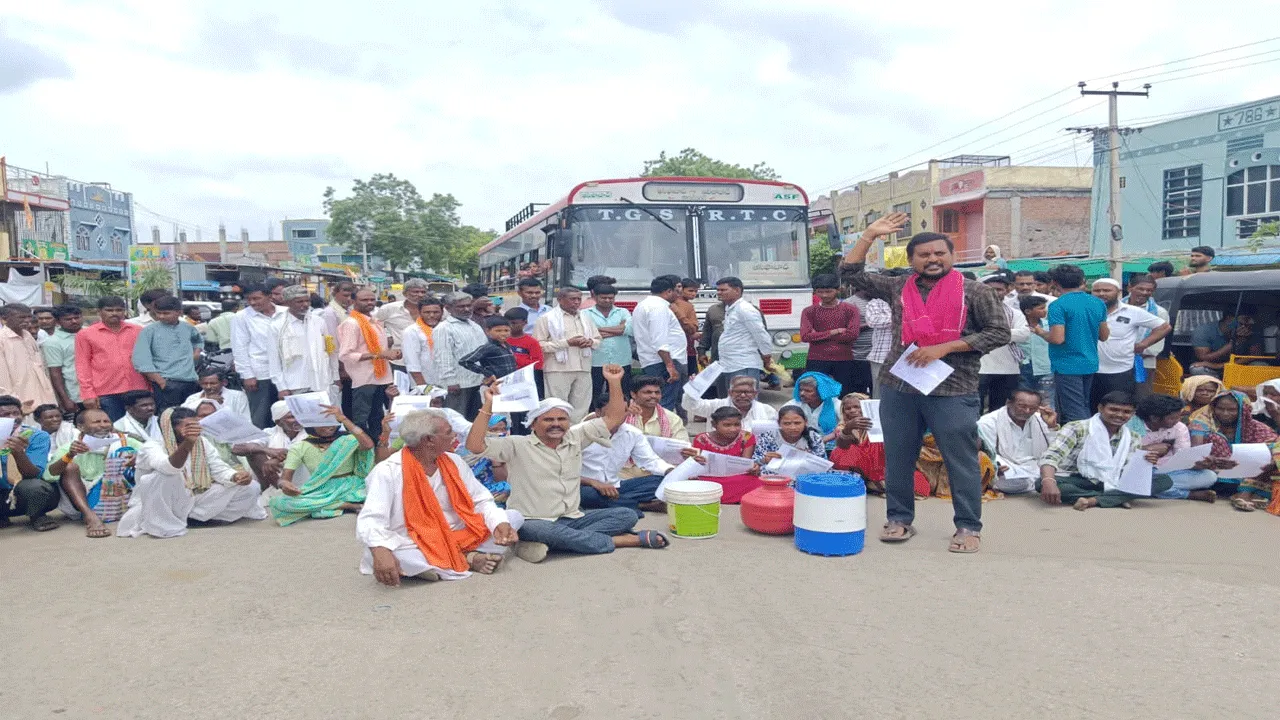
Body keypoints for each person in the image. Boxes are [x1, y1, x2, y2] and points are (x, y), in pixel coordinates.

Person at [841, 214, 1011, 553]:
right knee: (898, 456)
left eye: (939, 253)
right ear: (911, 260)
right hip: (900, 385)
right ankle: (899, 518)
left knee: (960, 459)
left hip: (954, 389)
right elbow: (850, 274)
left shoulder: (975, 291)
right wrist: (869, 235)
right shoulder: (898, 286)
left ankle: (968, 525)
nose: (932, 259)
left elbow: (998, 332)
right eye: (924, 255)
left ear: (952, 256)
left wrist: (946, 347)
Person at [465, 364, 667, 562]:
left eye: (562, 419)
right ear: (533, 424)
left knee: (626, 515)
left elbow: (614, 417)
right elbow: (474, 445)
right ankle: (621, 540)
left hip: (573, 517)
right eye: (548, 420)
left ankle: (549, 543)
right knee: (541, 529)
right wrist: (489, 404)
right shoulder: (517, 444)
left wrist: (614, 382)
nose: (556, 424)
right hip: (533, 520)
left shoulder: (575, 438)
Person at [358, 409, 522, 585]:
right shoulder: (388, 471)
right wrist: (380, 551)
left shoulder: (454, 461)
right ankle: (466, 558)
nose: (454, 435)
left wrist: (499, 523)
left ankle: (442, 563)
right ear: (429, 440)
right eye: (449, 432)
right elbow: (372, 518)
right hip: (414, 540)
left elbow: (481, 499)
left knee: (513, 517)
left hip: (458, 532)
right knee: (385, 552)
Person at [116, 407, 266, 537]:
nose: (195, 429)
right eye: (188, 426)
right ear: (170, 428)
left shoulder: (202, 442)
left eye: (196, 424)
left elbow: (218, 468)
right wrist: (188, 443)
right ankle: (165, 526)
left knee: (250, 487)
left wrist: (235, 476)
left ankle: (195, 520)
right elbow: (169, 467)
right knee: (164, 476)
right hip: (162, 503)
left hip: (195, 495)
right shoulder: (151, 446)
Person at [1037, 391, 1174, 510]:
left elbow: (1128, 472)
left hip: (1114, 480)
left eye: (1126, 412)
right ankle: (1116, 498)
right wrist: (1048, 481)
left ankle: (1093, 500)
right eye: (1113, 410)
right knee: (1041, 483)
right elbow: (1052, 455)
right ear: (1100, 408)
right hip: (1079, 479)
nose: (1119, 415)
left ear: (1133, 414)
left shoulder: (1133, 437)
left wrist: (1145, 462)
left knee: (1164, 480)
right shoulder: (1077, 427)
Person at [45, 408, 144, 538]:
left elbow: (155, 457)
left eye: (106, 421)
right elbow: (49, 475)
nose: (103, 425)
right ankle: (90, 517)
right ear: (80, 427)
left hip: (123, 494)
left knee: (145, 462)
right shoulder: (70, 447)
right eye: (97, 422)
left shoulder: (125, 441)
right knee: (69, 467)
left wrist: (139, 459)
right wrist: (69, 455)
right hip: (87, 498)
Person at [269, 404, 375, 526]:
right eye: (322, 423)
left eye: (332, 422)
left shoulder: (349, 439)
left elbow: (368, 445)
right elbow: (284, 479)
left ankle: (327, 505)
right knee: (279, 503)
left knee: (376, 495)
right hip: (319, 489)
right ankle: (349, 505)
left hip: (351, 486)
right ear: (310, 425)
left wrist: (343, 419)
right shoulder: (300, 447)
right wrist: (284, 485)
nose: (329, 426)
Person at [1034, 264, 1108, 424]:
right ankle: (1088, 433)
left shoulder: (1058, 305)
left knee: (1073, 410)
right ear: (1082, 281)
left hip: (1067, 364)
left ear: (1055, 283)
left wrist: (1040, 332)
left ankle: (1082, 437)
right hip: (1090, 362)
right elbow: (1104, 335)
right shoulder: (1097, 303)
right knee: (1083, 404)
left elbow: (1057, 338)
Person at [579, 394, 671, 517]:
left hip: (616, 486)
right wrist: (593, 482)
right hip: (585, 486)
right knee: (587, 495)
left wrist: (671, 471)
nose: (617, 417)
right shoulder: (579, 433)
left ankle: (615, 502)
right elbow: (561, 473)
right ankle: (642, 505)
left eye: (622, 412)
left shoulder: (632, 433)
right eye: (612, 413)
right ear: (598, 412)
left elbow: (650, 460)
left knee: (665, 481)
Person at [1188, 389, 1277, 512]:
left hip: (1248, 471)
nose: (1225, 413)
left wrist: (1272, 461)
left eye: (1232, 410)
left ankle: (1244, 493)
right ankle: (1247, 493)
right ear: (1213, 407)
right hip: (1215, 473)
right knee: (1215, 439)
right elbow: (1196, 452)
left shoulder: (1255, 426)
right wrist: (1213, 460)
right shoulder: (1203, 422)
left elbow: (1275, 444)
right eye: (1220, 408)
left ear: (1243, 410)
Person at [1090, 277, 1171, 407]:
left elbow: (1164, 327)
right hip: (1090, 370)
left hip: (1121, 371)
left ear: (1118, 292)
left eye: (1107, 290)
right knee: (1092, 406)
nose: (1101, 294)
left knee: (1120, 406)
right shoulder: (1086, 311)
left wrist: (1143, 345)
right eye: (1097, 291)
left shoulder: (1132, 311)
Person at [830, 393, 930, 495]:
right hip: (859, 466)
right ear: (843, 411)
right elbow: (842, 446)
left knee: (918, 485)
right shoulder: (843, 427)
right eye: (848, 408)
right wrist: (848, 429)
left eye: (856, 407)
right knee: (845, 452)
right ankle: (864, 483)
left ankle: (874, 485)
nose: (852, 410)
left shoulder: (879, 422)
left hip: (881, 465)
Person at [338, 288, 401, 440]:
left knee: (378, 420)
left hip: (380, 378)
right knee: (361, 422)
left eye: (372, 299)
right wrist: (380, 355)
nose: (370, 303)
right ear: (353, 301)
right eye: (364, 300)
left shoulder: (374, 321)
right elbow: (345, 355)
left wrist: (391, 353)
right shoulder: (352, 323)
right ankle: (363, 451)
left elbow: (379, 349)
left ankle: (377, 450)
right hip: (363, 381)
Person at [75, 296, 149, 423]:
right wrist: (88, 394)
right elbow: (82, 365)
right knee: (114, 427)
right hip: (106, 391)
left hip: (138, 388)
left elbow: (147, 359)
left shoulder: (137, 331)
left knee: (142, 426)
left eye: (119, 310)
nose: (114, 313)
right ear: (99, 312)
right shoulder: (86, 334)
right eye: (109, 310)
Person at [1133, 393, 1218, 503]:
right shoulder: (1132, 426)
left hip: (1169, 472)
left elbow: (1183, 456)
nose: (1177, 420)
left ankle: (1151, 489)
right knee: (1142, 481)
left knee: (1209, 476)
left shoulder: (1179, 428)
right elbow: (1122, 454)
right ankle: (1188, 494)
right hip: (1140, 472)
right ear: (1154, 418)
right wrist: (1146, 449)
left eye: (1179, 416)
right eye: (1172, 418)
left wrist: (1196, 464)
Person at [534, 287, 600, 420]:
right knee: (557, 406)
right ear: (560, 300)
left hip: (583, 367)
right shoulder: (547, 319)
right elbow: (539, 345)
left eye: (579, 299)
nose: (576, 302)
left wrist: (589, 342)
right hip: (557, 368)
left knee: (581, 408)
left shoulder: (585, 317)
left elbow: (598, 339)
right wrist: (567, 343)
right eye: (572, 299)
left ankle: (577, 432)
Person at [977, 388, 1058, 494]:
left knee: (1056, 473)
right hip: (1009, 469)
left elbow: (1055, 450)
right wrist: (995, 466)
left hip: (1036, 467)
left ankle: (1039, 483)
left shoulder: (1041, 419)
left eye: (1032, 408)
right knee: (1006, 482)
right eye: (1022, 406)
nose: (1027, 411)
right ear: (1009, 403)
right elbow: (987, 452)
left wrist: (1051, 427)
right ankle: (1038, 484)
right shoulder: (988, 422)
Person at [132, 295, 202, 411]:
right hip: (166, 382)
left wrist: (196, 353)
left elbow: (198, 341)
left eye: (166, 313)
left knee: (191, 414)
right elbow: (141, 359)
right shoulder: (149, 331)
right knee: (167, 416)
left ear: (179, 312)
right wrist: (160, 381)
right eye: (158, 313)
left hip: (190, 380)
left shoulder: (188, 328)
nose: (161, 316)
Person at [633, 276, 689, 413]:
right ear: (669, 291)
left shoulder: (644, 305)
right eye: (677, 290)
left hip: (655, 361)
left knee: (662, 401)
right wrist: (670, 366)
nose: (679, 294)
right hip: (664, 362)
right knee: (664, 403)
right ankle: (662, 426)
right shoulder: (658, 307)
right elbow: (659, 340)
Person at [271, 285, 337, 401]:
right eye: (299, 302)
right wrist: (281, 387)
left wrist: (335, 377)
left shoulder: (319, 321)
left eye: (307, 301)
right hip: (295, 385)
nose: (305, 305)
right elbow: (274, 360)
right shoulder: (277, 326)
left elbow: (330, 350)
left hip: (321, 382)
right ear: (288, 303)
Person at [229, 284, 282, 427]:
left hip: (286, 373)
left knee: (285, 413)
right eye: (249, 299)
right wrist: (247, 375)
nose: (252, 302)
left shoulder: (284, 313)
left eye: (256, 298)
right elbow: (239, 347)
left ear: (269, 296)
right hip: (260, 373)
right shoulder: (242, 317)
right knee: (261, 416)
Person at [800, 273, 860, 397]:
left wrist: (818, 336)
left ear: (838, 290)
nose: (824, 295)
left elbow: (852, 335)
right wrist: (834, 331)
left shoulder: (850, 309)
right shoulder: (809, 311)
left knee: (844, 395)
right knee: (815, 395)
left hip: (844, 359)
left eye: (828, 291)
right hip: (816, 359)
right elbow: (805, 336)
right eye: (820, 292)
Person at [0, 396, 54, 531]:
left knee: (35, 487)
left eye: (16, 413)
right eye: (5, 415)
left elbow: (34, 474)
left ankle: (37, 515)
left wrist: (18, 453)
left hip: (24, 492)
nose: (13, 418)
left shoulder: (36, 436)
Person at [977, 273, 1030, 412]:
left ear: (1007, 291)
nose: (995, 293)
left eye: (999, 289)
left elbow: (1024, 334)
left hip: (1008, 367)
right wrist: (1005, 334)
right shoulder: (973, 311)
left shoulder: (1014, 313)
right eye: (991, 289)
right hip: (980, 366)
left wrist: (990, 334)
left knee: (1001, 410)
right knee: (976, 407)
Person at [433, 291, 488, 419]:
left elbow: (484, 352)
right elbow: (443, 356)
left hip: (478, 382)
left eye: (469, 305)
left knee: (476, 420)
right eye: (461, 306)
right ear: (448, 308)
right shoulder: (444, 328)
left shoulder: (475, 325)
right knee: (457, 419)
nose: (467, 309)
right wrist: (450, 381)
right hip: (458, 384)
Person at [691, 406, 761, 504]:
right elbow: (697, 465)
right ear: (714, 424)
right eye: (727, 425)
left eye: (737, 424)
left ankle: (716, 497)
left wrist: (753, 468)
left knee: (757, 482)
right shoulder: (701, 439)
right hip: (710, 477)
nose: (733, 429)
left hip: (737, 477)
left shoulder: (747, 437)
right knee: (694, 482)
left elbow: (745, 464)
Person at [716, 276, 775, 384]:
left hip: (744, 365)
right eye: (718, 290)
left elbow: (760, 334)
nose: (719, 293)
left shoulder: (745, 309)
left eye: (723, 290)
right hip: (730, 365)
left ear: (737, 290)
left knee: (745, 394)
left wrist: (767, 358)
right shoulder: (730, 309)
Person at [0, 303, 56, 408]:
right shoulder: (2, 339)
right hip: (19, 401)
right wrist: (12, 403)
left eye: (28, 317)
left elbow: (40, 368)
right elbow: (2, 380)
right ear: (4, 319)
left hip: (43, 397)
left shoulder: (28, 336)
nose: (27, 321)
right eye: (21, 317)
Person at [584, 283, 632, 404]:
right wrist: (618, 330)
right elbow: (587, 334)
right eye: (603, 297)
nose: (607, 300)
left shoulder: (623, 311)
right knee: (594, 394)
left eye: (611, 298)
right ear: (595, 297)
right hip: (595, 361)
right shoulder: (585, 313)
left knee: (622, 394)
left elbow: (628, 329)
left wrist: (598, 330)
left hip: (621, 360)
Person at [682, 375, 779, 433]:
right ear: (730, 392)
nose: (743, 395)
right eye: (738, 392)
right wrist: (693, 388)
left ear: (755, 393)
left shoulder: (767, 411)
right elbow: (690, 405)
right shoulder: (716, 406)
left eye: (747, 392)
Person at [1123, 274, 1169, 392]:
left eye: (1149, 290)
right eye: (1140, 289)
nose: (1144, 293)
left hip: (1144, 363)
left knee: (1141, 396)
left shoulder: (1159, 312)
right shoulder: (1117, 308)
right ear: (1129, 288)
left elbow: (1156, 345)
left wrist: (1132, 350)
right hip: (1115, 363)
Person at [1190, 307, 1262, 377]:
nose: (1251, 323)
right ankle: (1214, 383)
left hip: (1239, 366)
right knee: (1197, 369)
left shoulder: (1252, 330)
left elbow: (1254, 356)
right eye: (1246, 319)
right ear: (1229, 319)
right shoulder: (1204, 331)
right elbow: (1204, 357)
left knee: (1260, 365)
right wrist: (1234, 344)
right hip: (1211, 368)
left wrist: (1220, 366)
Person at [323, 281, 358, 415]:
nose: (348, 299)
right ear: (335, 294)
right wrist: (340, 368)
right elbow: (332, 343)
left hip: (353, 362)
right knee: (346, 401)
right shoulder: (330, 313)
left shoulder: (349, 311)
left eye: (351, 296)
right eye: (345, 295)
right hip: (341, 363)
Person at [41, 305, 82, 416]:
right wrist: (65, 399)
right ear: (58, 321)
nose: (74, 321)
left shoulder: (90, 333)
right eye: (68, 319)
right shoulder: (52, 342)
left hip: (101, 390)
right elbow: (55, 373)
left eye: (77, 317)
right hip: (75, 393)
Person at [753, 405, 827, 464]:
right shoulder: (768, 436)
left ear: (805, 422)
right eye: (787, 423)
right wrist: (765, 460)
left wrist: (809, 457)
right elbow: (755, 461)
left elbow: (823, 463)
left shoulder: (814, 437)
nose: (793, 427)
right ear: (779, 423)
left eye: (797, 423)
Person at [1019, 295, 1055, 409]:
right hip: (1023, 368)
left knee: (1047, 401)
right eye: (1041, 308)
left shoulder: (1050, 326)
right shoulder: (1019, 326)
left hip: (1045, 368)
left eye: (1045, 307)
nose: (1045, 311)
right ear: (1028, 311)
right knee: (1024, 400)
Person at [373, 277, 429, 350]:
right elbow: (372, 325)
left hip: (426, 353)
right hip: (398, 353)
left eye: (423, 292)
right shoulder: (388, 308)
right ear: (405, 294)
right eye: (415, 292)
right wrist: (387, 336)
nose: (420, 295)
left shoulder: (432, 311)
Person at [791, 372, 842, 448]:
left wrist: (823, 440)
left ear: (820, 392)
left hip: (833, 446)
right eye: (801, 390)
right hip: (802, 445)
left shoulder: (837, 405)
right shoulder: (795, 404)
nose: (802, 394)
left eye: (808, 391)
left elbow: (847, 426)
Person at [403, 297, 445, 389]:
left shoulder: (446, 329)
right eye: (427, 312)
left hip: (448, 383)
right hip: (425, 384)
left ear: (442, 312)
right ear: (420, 313)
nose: (431, 315)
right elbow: (412, 363)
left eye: (436, 312)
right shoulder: (412, 331)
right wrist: (426, 390)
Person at [459, 316, 517, 382]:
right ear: (487, 331)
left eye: (506, 330)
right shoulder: (488, 347)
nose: (503, 334)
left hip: (509, 382)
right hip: (495, 384)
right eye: (498, 331)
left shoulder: (507, 345)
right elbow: (464, 361)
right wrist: (487, 373)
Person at [181, 368, 251, 421]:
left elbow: (245, 419)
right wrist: (204, 400)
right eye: (205, 384)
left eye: (213, 383)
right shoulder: (193, 398)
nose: (208, 387)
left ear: (224, 382)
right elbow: (183, 414)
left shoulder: (238, 396)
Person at [672, 278, 701, 372]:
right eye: (690, 291)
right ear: (681, 289)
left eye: (695, 291)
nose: (693, 294)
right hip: (685, 347)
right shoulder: (686, 305)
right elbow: (692, 328)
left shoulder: (672, 303)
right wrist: (694, 332)